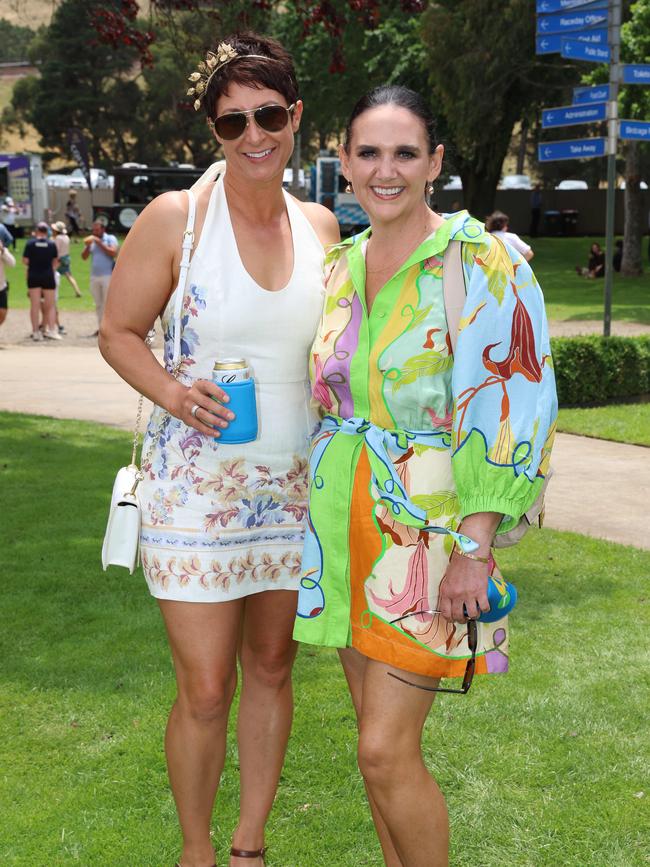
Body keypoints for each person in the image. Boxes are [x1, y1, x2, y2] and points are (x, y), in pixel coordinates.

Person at [293, 85, 557, 867]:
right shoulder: (339, 266)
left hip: (429, 534)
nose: (386, 169)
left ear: (434, 162)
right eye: (368, 152)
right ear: (343, 163)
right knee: (379, 756)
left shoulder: (479, 259)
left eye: (405, 152)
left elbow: (516, 400)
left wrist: (476, 544)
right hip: (342, 526)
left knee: (383, 750)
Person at [99, 31, 339, 867]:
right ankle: (196, 852)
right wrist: (170, 391)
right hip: (196, 489)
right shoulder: (179, 218)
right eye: (231, 122)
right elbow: (117, 330)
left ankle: (249, 847)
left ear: (295, 115)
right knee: (206, 688)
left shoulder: (320, 224)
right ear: (213, 131)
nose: (253, 136)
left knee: (273, 667)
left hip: (293, 488)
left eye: (268, 114)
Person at [22, 221, 60, 341]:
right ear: (46, 232)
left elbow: (25, 261)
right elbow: (56, 262)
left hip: (34, 275)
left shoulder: (30, 243)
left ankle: (35, 332)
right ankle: (52, 330)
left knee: (35, 305)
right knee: (51, 304)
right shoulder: (51, 244)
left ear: (37, 231)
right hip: (48, 275)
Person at [82, 217, 118, 336]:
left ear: (103, 229)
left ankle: (110, 328)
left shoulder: (110, 239)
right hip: (95, 276)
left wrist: (99, 243)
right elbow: (84, 257)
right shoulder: (92, 242)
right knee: (98, 304)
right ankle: (101, 327)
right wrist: (88, 246)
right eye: (93, 230)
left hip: (107, 275)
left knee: (107, 303)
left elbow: (113, 252)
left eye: (97, 230)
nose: (95, 232)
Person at [51, 221, 82, 297]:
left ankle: (50, 291)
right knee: (68, 275)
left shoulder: (58, 238)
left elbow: (56, 250)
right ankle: (77, 291)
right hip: (66, 257)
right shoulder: (66, 237)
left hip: (59, 258)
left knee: (51, 274)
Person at [0, 236, 16, 330]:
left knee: (3, 314)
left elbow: (12, 264)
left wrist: (3, 251)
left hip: (1, 286)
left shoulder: (3, 251)